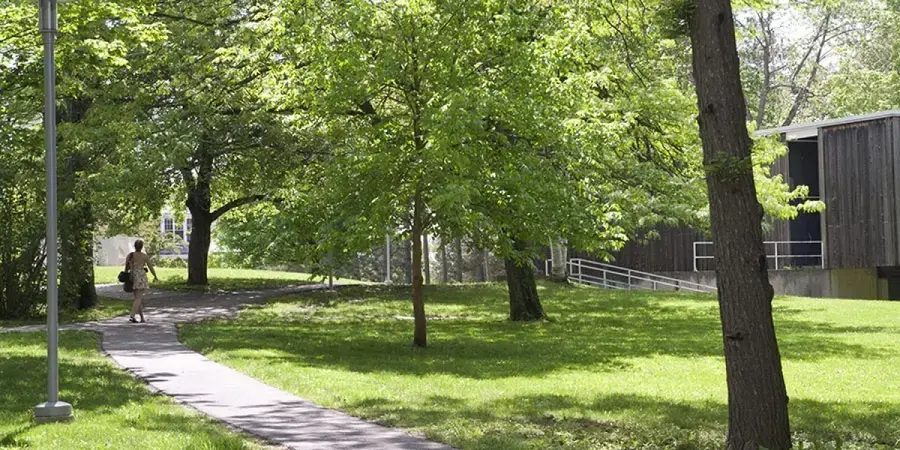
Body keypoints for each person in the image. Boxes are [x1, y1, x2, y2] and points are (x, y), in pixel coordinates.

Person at [125, 239, 158, 323]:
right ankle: (132, 315)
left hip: (132, 276)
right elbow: (150, 267)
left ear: (134, 246)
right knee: (138, 298)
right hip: (140, 276)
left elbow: (126, 267)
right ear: (142, 247)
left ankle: (142, 318)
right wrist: (155, 276)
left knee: (137, 298)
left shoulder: (130, 255)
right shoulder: (144, 256)